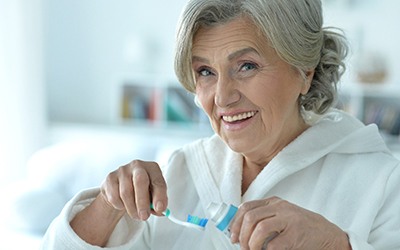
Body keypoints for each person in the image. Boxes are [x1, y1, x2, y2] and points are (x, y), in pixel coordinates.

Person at [41, 0, 400, 249]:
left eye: (246, 66)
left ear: (304, 71)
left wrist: (334, 246)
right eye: (205, 72)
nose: (222, 97)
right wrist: (107, 204)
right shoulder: (181, 174)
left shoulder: (381, 183)